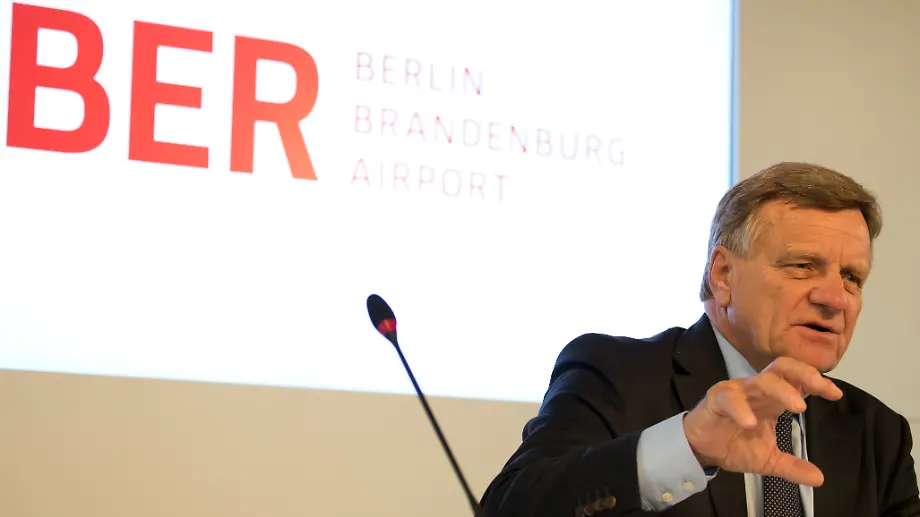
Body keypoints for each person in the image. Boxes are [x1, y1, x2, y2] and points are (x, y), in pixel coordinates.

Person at [476, 162, 920, 517]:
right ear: (723, 275)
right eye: (803, 266)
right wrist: (687, 446)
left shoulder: (877, 433)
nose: (835, 299)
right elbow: (508, 507)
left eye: (851, 277)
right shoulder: (615, 374)